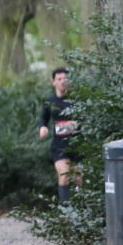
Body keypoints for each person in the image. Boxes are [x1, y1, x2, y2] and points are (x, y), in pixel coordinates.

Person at [38, 67, 82, 202]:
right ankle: (66, 211)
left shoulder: (77, 99)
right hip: (59, 146)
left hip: (78, 145)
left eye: (65, 78)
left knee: (79, 179)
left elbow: (86, 117)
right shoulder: (49, 102)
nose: (63, 81)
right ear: (54, 82)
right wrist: (43, 128)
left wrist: (78, 123)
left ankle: (83, 211)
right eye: (59, 79)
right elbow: (43, 119)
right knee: (64, 175)